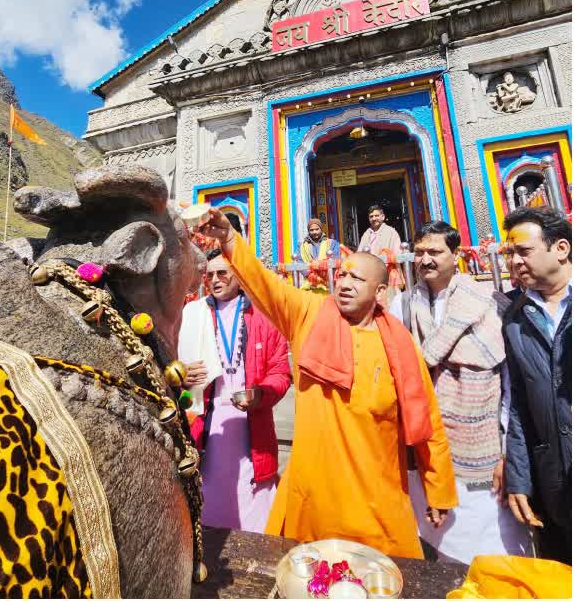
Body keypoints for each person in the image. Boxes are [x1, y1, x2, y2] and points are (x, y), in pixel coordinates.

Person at [196, 206, 457, 559]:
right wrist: (229, 238)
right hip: (315, 493)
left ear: (380, 291)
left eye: (357, 279)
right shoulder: (309, 314)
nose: (345, 283)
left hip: (376, 494)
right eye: (343, 275)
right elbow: (266, 284)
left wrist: (438, 488)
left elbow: (426, 418)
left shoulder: (399, 344)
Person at [396, 221, 531, 564]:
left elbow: (510, 386)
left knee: (493, 554)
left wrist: (506, 450)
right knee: (441, 552)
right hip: (431, 442)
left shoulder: (489, 303)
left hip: (482, 449)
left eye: (435, 252)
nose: (425, 260)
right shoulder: (405, 305)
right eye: (420, 252)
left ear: (455, 255)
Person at [178, 249, 291, 532]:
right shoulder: (191, 314)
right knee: (209, 502)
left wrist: (261, 394)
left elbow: (280, 371)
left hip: (253, 422)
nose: (214, 280)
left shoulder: (264, 317)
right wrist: (181, 373)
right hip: (207, 423)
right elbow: (168, 363)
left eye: (222, 274)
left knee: (255, 505)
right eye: (209, 275)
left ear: (240, 277)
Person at [500, 207, 571, 564]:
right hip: (554, 481)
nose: (513, 261)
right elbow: (520, 406)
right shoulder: (515, 320)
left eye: (523, 252)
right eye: (509, 254)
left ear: (560, 248)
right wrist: (519, 478)